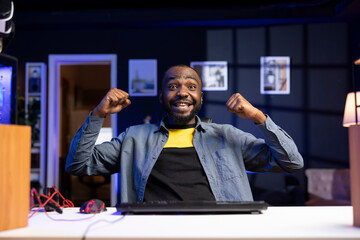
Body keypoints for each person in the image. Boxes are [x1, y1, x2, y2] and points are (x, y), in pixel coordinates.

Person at [66, 64, 303, 203]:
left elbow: (292, 162)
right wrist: (98, 114)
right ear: (161, 97)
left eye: (191, 86)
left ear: (200, 97)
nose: (182, 92)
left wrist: (257, 117)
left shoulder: (228, 135)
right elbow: (77, 165)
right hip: (150, 233)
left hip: (217, 232)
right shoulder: (133, 138)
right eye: (172, 86)